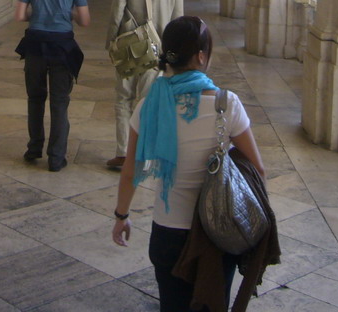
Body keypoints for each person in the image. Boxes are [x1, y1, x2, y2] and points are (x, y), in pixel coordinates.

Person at [111, 16, 266, 312]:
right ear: (201, 55)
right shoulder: (226, 103)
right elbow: (257, 169)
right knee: (214, 302)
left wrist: (122, 215)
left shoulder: (149, 105)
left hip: (168, 230)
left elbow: (131, 170)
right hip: (216, 231)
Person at [104, 0, 183, 170]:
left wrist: (111, 42)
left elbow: (117, 9)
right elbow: (178, 21)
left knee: (123, 99)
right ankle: (146, 156)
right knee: (150, 102)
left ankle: (123, 153)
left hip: (130, 47)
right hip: (158, 50)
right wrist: (172, 56)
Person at [14, 0, 90, 172]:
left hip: (35, 44)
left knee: (35, 99)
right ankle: (56, 157)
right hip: (61, 47)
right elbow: (85, 20)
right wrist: (68, 14)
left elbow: (20, 15)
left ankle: (34, 147)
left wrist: (36, 15)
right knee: (59, 103)